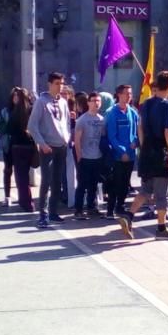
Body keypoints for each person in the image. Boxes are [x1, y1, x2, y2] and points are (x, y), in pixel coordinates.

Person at [116, 71, 168, 241]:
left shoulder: (146, 104)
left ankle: (128, 216)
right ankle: (161, 228)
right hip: (161, 152)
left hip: (146, 151)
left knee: (146, 190)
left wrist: (145, 147)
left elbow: (140, 129)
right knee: (162, 193)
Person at [28, 72, 71, 229]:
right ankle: (43, 215)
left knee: (57, 181)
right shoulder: (41, 102)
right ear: (50, 84)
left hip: (61, 146)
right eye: (57, 83)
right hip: (48, 147)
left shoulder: (63, 102)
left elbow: (66, 122)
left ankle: (53, 211)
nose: (60, 86)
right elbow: (32, 126)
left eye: (62, 83)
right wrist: (42, 143)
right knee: (46, 180)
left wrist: (67, 138)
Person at [105, 84, 139, 219]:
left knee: (125, 183)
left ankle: (121, 206)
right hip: (117, 155)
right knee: (115, 182)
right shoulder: (112, 113)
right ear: (118, 95)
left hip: (131, 155)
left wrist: (136, 142)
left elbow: (137, 131)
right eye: (126, 93)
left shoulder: (133, 112)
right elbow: (111, 136)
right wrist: (121, 151)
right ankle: (110, 209)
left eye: (130, 93)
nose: (129, 96)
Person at [73, 92, 106, 220]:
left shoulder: (102, 119)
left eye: (98, 101)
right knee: (82, 185)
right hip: (85, 157)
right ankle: (78, 210)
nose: (96, 103)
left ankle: (92, 208)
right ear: (88, 103)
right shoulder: (82, 120)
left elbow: (103, 137)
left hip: (97, 157)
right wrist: (79, 157)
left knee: (93, 185)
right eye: (93, 100)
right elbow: (77, 139)